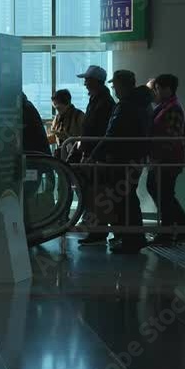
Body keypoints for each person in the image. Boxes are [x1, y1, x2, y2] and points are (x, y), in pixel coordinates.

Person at [89, 70, 153, 254]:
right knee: (128, 197)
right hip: (135, 158)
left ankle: (132, 239)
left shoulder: (126, 106)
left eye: (115, 85)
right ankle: (133, 237)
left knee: (125, 200)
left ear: (122, 85)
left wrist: (95, 155)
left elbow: (113, 134)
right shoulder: (143, 104)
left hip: (123, 159)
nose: (114, 89)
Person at [146, 74, 185, 246]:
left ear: (167, 89)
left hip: (166, 160)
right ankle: (181, 227)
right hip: (163, 159)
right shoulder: (165, 106)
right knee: (163, 193)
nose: (155, 93)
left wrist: (158, 156)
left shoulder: (172, 108)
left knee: (163, 193)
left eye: (157, 89)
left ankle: (168, 231)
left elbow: (171, 137)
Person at [75, 65, 117, 245]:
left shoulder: (103, 103)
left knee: (97, 193)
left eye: (87, 80)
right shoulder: (98, 100)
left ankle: (99, 230)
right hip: (93, 153)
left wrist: (90, 153)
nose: (85, 83)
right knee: (95, 193)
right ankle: (98, 229)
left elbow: (98, 130)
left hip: (97, 155)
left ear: (96, 82)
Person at [48, 89, 85, 160]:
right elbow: (54, 137)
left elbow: (84, 137)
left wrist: (66, 137)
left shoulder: (79, 116)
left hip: (75, 154)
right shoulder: (58, 117)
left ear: (66, 104)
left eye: (58, 107)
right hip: (61, 153)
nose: (56, 109)